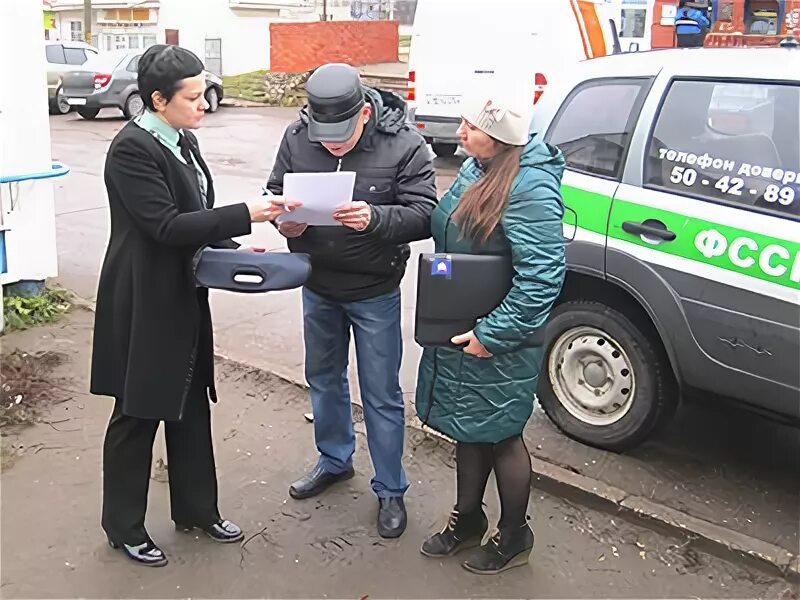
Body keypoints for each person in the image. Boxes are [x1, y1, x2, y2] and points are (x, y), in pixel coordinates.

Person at [90, 44, 292, 567]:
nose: (205, 104)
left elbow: (195, 214)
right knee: (139, 410)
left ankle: (197, 509)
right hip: (145, 296)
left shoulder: (183, 139)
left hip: (184, 291)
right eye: (194, 96)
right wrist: (244, 213)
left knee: (190, 401)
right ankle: (124, 525)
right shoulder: (132, 149)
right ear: (158, 99)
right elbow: (166, 226)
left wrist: (233, 247)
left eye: (205, 93)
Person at [265, 62, 437, 538]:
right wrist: (285, 222)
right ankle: (334, 459)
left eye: (340, 135)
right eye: (325, 134)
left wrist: (376, 218)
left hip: (374, 289)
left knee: (381, 393)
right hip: (317, 284)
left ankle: (390, 489)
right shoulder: (298, 137)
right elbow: (275, 192)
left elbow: (426, 214)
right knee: (322, 377)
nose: (331, 144)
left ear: (365, 113)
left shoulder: (404, 143)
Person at [415, 96, 566, 574]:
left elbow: (542, 277)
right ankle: (468, 520)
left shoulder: (530, 186)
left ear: (500, 138)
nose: (460, 132)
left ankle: (515, 535)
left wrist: (493, 335)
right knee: (470, 429)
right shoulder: (478, 169)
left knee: (502, 435)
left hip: (499, 335)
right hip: (465, 324)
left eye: (472, 127)